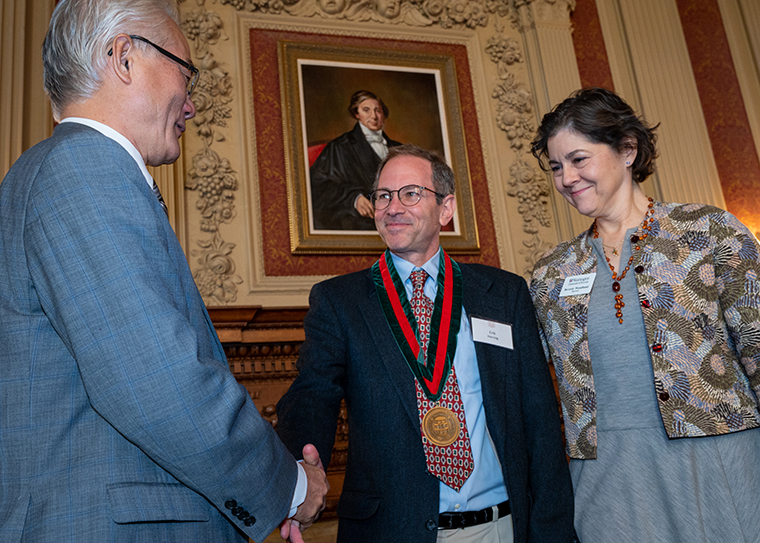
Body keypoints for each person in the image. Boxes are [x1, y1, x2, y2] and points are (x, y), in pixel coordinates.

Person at [0, 1, 328, 541]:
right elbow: (157, 382)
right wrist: (290, 486)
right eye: (185, 71)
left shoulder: (55, 169)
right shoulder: (85, 168)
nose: (192, 104)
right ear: (124, 57)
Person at [277, 144, 576, 542]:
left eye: (410, 193)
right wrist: (296, 480)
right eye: (383, 195)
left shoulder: (503, 294)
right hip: (392, 530)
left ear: (446, 209)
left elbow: (539, 418)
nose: (392, 207)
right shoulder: (339, 302)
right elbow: (313, 396)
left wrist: (553, 530)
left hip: (502, 526)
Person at [529, 87, 760, 543]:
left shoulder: (708, 232)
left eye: (578, 159)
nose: (566, 178)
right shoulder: (551, 272)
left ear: (628, 149)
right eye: (556, 167)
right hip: (606, 475)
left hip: (717, 461)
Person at [309, 90, 402, 230]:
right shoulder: (339, 147)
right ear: (356, 114)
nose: (374, 116)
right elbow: (316, 188)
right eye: (366, 110)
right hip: (357, 223)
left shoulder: (399, 149)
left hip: (397, 221)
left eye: (378, 111)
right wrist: (353, 198)